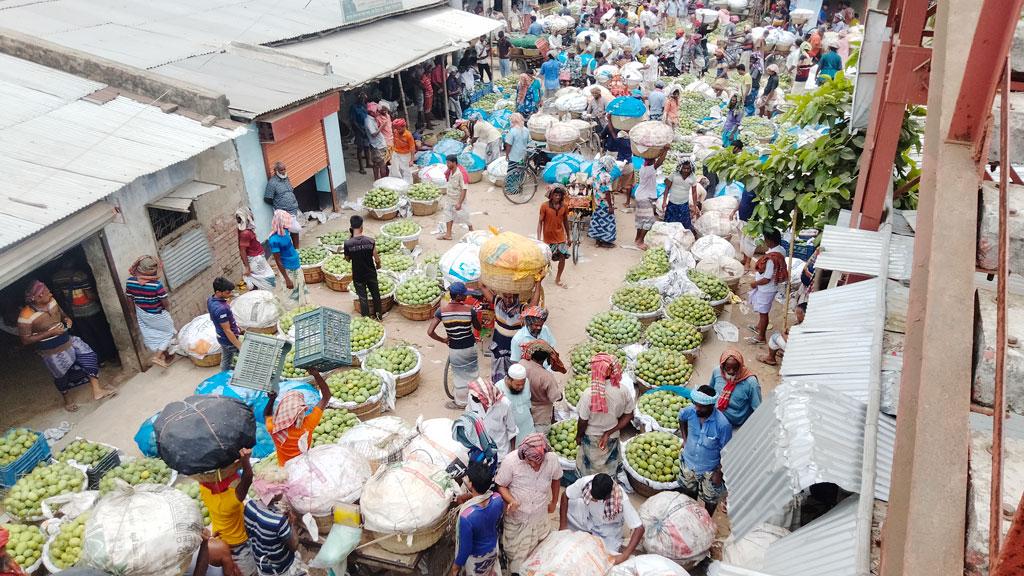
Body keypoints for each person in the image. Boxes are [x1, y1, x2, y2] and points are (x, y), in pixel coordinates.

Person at [19, 281, 114, 412]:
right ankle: (67, 400)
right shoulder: (25, 316)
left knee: (89, 357)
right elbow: (25, 340)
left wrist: (67, 320)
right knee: (61, 376)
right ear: (38, 296)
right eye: (47, 292)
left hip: (68, 340)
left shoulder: (52, 301)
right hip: (51, 350)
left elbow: (63, 315)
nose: (51, 294)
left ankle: (97, 391)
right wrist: (50, 333)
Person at [494, 434, 562, 574]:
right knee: (515, 556)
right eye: (530, 461)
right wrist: (511, 500)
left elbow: (556, 479)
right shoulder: (511, 461)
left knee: (538, 555)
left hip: (539, 518)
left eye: (538, 462)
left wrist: (554, 501)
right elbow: (500, 485)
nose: (534, 465)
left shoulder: (552, 460)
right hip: (517, 519)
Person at [559, 473, 644, 564]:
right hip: (588, 515)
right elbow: (565, 495)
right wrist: (563, 526)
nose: (593, 500)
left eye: (596, 499)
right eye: (592, 497)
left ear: (607, 496)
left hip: (607, 528)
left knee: (605, 556)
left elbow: (639, 528)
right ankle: (587, 532)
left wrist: (624, 556)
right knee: (570, 507)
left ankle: (619, 547)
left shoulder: (621, 498)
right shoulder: (586, 482)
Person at [198, 448, 257, 576]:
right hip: (239, 544)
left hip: (219, 536)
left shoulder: (203, 489)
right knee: (248, 572)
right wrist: (245, 460)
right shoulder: (232, 500)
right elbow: (248, 477)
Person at [575, 353, 634, 476]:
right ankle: (608, 483)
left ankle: (590, 485)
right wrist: (609, 432)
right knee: (609, 464)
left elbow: (583, 420)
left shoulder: (589, 393)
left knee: (590, 466)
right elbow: (629, 415)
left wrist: (579, 436)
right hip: (612, 435)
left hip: (591, 436)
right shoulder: (623, 390)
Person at [679, 385, 733, 515]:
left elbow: (727, 451)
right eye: (696, 404)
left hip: (709, 470)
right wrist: (685, 439)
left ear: (711, 406)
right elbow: (681, 418)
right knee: (688, 491)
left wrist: (719, 472)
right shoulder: (690, 412)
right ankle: (690, 514)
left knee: (710, 499)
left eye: (701, 406)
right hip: (689, 462)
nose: (697, 408)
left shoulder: (722, 425)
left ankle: (707, 519)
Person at [50, 259, 117, 363]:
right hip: (91, 310)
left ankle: (99, 360)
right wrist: (102, 299)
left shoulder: (56, 278)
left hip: (75, 312)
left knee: (87, 336)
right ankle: (111, 356)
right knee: (102, 333)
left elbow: (59, 296)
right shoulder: (80, 275)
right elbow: (89, 295)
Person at [243, 464, 304, 576]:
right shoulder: (278, 521)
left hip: (260, 561)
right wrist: (293, 524)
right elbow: (294, 546)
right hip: (279, 567)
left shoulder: (249, 506)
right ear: (275, 495)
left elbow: (250, 533)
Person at [429, 282, 481, 409]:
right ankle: (475, 401)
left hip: (455, 350)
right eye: (464, 295)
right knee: (472, 374)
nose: (466, 297)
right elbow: (478, 327)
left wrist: (443, 340)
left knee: (459, 376)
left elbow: (430, 332)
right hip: (470, 347)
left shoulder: (441, 311)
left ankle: (461, 403)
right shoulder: (470, 310)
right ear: (458, 296)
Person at [265, 370, 331, 466]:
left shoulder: (274, 428)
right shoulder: (308, 424)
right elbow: (326, 396)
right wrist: (316, 375)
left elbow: (267, 415)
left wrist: (271, 399)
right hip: (303, 466)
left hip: (285, 468)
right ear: (301, 411)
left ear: (281, 409)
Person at [452, 462, 505, 576]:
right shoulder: (497, 499)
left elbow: (465, 548)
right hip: (492, 550)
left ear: (470, 484)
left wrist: (456, 566)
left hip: (477, 559)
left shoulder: (466, 517)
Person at [480, 282, 539, 383]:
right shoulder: (497, 302)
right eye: (505, 296)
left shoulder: (521, 309)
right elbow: (482, 286)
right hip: (498, 348)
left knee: (514, 377)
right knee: (498, 379)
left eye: (510, 297)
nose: (507, 299)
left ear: (516, 296)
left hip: (513, 351)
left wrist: (538, 283)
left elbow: (534, 306)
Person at [124, 256, 177, 368]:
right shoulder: (156, 285)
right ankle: (157, 356)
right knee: (168, 332)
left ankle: (166, 356)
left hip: (142, 313)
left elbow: (129, 300)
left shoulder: (130, 282)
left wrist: (133, 315)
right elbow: (165, 303)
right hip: (157, 314)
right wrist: (167, 312)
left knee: (153, 334)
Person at [748, 228, 787, 344]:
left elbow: (767, 278)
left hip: (767, 288)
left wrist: (755, 283)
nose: (764, 241)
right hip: (771, 287)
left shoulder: (771, 259)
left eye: (766, 239)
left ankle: (761, 337)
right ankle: (759, 326)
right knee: (763, 310)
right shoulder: (781, 250)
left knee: (763, 313)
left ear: (771, 241)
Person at [517, 340, 566, 431]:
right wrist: (562, 395)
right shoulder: (546, 377)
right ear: (546, 358)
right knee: (540, 440)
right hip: (541, 415)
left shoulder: (521, 364)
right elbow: (556, 397)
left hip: (523, 410)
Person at [709, 348, 762, 429]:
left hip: (735, 422)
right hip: (717, 414)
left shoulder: (751, 382)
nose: (731, 371)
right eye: (728, 368)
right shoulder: (717, 371)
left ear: (740, 366)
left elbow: (757, 408)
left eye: (735, 368)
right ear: (722, 366)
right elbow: (710, 391)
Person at [467, 377, 518, 460]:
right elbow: (470, 416)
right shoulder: (472, 396)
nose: (473, 398)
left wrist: (512, 455)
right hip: (480, 452)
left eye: (477, 397)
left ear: (486, 398)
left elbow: (512, 431)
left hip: (501, 453)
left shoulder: (504, 404)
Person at [343, 215, 382, 320]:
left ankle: (366, 319)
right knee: (375, 294)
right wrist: (378, 266)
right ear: (362, 227)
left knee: (363, 297)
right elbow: (377, 259)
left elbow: (347, 258)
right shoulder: (370, 241)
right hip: (370, 273)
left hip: (358, 275)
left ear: (351, 227)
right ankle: (379, 315)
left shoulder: (348, 243)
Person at [267, 210, 306, 310]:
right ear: (280, 223)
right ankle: (292, 310)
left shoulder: (286, 232)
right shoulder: (274, 240)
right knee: (291, 292)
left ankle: (301, 307)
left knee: (300, 287)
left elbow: (295, 235)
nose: (288, 225)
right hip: (288, 270)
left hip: (296, 265)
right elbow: (278, 261)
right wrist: (287, 279)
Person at [234, 208, 276, 292]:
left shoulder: (246, 229)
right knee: (263, 280)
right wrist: (247, 267)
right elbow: (242, 250)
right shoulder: (245, 233)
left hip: (257, 257)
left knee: (262, 279)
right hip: (255, 260)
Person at [208, 277, 243, 372]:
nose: (230, 294)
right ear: (218, 292)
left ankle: (223, 375)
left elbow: (213, 318)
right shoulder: (221, 309)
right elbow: (227, 330)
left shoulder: (211, 300)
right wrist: (239, 345)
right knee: (246, 357)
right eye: (227, 292)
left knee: (226, 359)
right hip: (228, 340)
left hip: (221, 337)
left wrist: (234, 325)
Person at [537, 187, 570, 288]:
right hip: (548, 238)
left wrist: (568, 236)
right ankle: (538, 279)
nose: (557, 197)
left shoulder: (564, 206)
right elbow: (540, 223)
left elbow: (565, 222)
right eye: (555, 195)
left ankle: (558, 278)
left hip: (560, 237)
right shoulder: (544, 206)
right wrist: (538, 239)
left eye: (559, 196)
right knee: (544, 260)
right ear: (551, 196)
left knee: (562, 257)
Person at [632, 151, 666, 249]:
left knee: (641, 219)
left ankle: (637, 239)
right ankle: (640, 241)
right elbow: (660, 162)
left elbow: (657, 163)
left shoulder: (644, 167)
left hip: (641, 195)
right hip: (645, 198)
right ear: (651, 161)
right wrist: (665, 151)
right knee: (648, 220)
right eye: (653, 160)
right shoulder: (649, 169)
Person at [263, 162, 301, 248]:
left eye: (284, 169)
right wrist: (279, 205)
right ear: (275, 171)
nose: (284, 171)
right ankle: (289, 249)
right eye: (281, 170)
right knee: (285, 232)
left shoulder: (286, 178)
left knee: (295, 231)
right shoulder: (272, 183)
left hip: (293, 210)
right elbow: (267, 198)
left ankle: (297, 249)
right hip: (283, 213)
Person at [495, 363, 534, 445]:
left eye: (522, 384)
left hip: (528, 428)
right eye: (517, 385)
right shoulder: (498, 388)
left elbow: (528, 402)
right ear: (509, 380)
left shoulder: (526, 382)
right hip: (512, 436)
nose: (521, 387)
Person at [761, 302, 806, 366]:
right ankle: (785, 352)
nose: (796, 316)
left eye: (798, 314)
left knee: (775, 336)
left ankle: (770, 358)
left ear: (804, 314)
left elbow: (791, 341)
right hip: (806, 349)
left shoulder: (803, 326)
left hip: (799, 351)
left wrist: (783, 333)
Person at [441, 154, 473, 240]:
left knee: (464, 215)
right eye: (446, 163)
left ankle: (471, 229)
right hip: (450, 197)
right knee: (448, 215)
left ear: (454, 163)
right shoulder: (450, 170)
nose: (447, 164)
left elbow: (464, 189)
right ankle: (448, 234)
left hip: (458, 199)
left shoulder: (461, 173)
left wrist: (459, 203)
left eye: (448, 163)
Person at [662, 159, 700, 229]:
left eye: (688, 168)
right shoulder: (674, 175)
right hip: (672, 203)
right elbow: (667, 188)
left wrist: (695, 206)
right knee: (669, 224)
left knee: (684, 225)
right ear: (681, 167)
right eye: (684, 168)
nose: (686, 170)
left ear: (691, 168)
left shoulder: (693, 177)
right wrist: (664, 202)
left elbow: (694, 192)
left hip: (684, 204)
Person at [588, 158, 617, 248]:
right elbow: (607, 192)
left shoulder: (596, 174)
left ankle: (598, 241)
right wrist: (611, 206)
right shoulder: (606, 176)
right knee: (607, 222)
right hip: (605, 203)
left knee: (598, 221)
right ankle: (605, 241)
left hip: (597, 202)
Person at [601, 127, 633, 207]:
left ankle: (612, 204)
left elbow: (612, 132)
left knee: (612, 185)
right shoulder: (632, 142)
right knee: (628, 185)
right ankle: (627, 202)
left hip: (619, 166)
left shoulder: (619, 141)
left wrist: (609, 122)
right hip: (629, 165)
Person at [503, 113, 532, 198]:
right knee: (520, 171)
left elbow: (508, 145)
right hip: (523, 155)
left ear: (513, 121)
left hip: (514, 156)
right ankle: (519, 187)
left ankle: (511, 190)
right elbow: (529, 142)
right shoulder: (526, 130)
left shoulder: (512, 131)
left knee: (511, 172)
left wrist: (507, 154)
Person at [365, 102, 389, 180]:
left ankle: (377, 180)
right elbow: (374, 134)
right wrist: (382, 126)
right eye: (377, 111)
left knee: (376, 164)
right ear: (371, 112)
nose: (378, 112)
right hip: (378, 146)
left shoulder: (372, 118)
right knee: (382, 165)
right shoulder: (369, 121)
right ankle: (383, 181)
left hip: (377, 145)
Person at [391, 118, 418, 183]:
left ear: (404, 127)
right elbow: (394, 142)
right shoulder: (395, 131)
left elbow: (412, 148)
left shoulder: (408, 135)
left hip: (405, 155)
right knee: (395, 169)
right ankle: (397, 183)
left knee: (406, 171)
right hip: (396, 153)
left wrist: (411, 160)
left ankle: (407, 184)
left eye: (399, 129)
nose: (397, 130)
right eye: (396, 129)